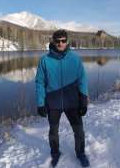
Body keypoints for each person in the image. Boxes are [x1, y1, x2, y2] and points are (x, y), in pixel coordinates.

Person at [35, 29, 90, 167]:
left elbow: (82, 81)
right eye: (57, 41)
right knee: (53, 131)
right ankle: (55, 153)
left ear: (67, 41)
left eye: (63, 41)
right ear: (53, 42)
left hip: (73, 102)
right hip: (53, 103)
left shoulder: (75, 59)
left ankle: (80, 153)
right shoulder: (45, 60)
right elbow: (40, 83)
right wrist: (41, 103)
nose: (60, 43)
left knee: (79, 131)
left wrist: (83, 102)